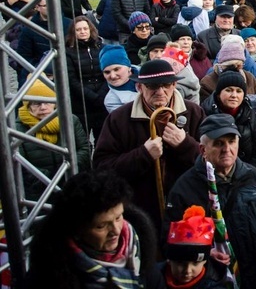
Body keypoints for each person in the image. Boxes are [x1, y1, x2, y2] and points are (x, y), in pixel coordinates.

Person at [94, 59, 205, 229]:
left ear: (174, 85)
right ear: (139, 87)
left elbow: (211, 164)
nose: (160, 92)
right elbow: (102, 169)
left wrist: (185, 145)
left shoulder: (194, 112)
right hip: (139, 213)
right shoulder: (119, 118)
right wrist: (143, 154)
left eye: (166, 85)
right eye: (153, 86)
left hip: (188, 209)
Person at [165, 114, 256, 289]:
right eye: (219, 143)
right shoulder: (185, 188)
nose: (227, 149)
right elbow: (169, 239)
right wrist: (205, 252)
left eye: (231, 141)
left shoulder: (255, 177)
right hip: (215, 278)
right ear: (203, 149)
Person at [26, 169, 157, 289]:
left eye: (118, 218)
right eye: (101, 226)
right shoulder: (49, 275)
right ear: (77, 230)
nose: (116, 231)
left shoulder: (141, 254)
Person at [16, 79, 90, 200]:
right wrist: (51, 177)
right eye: (36, 103)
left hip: (73, 183)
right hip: (39, 193)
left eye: (47, 102)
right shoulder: (18, 129)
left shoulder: (70, 120)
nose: (43, 107)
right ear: (28, 107)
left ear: (55, 103)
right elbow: (20, 164)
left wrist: (67, 171)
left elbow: (84, 148)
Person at [143, 205, 231, 288]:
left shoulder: (214, 283)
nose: (187, 271)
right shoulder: (152, 279)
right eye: (180, 263)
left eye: (195, 263)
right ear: (169, 260)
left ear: (204, 261)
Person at [201, 70, 256, 171]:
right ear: (219, 93)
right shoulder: (206, 112)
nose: (234, 95)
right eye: (229, 90)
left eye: (239, 91)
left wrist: (249, 174)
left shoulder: (249, 111)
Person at [65, 15, 109, 139]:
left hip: (102, 100)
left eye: (85, 28)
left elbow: (108, 73)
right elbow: (72, 80)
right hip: (81, 102)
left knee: (102, 138)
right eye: (79, 30)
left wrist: (101, 94)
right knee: (82, 139)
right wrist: (92, 96)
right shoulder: (68, 51)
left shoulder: (101, 47)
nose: (83, 32)